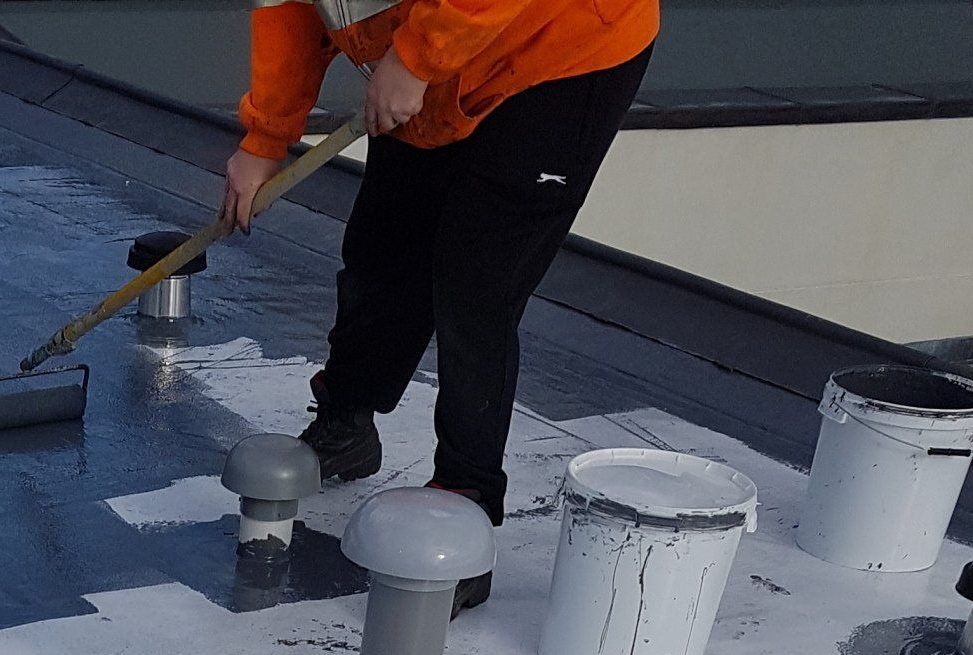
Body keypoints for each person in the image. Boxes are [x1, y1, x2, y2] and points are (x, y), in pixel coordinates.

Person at [223, 0, 657, 605]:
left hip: (558, 44)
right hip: (433, 42)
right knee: (386, 242)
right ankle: (346, 422)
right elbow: (290, 9)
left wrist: (415, 59)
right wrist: (267, 136)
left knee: (479, 275)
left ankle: (465, 502)